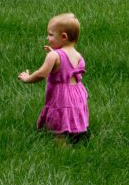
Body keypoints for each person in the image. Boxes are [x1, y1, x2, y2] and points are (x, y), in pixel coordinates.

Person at [18, 12, 89, 143]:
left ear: (63, 36)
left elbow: (41, 74)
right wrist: (55, 53)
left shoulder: (53, 56)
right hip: (77, 93)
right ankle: (76, 136)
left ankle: (62, 149)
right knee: (73, 114)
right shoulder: (78, 55)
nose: (47, 38)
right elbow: (66, 67)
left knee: (58, 125)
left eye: (50, 35)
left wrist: (27, 78)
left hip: (61, 95)